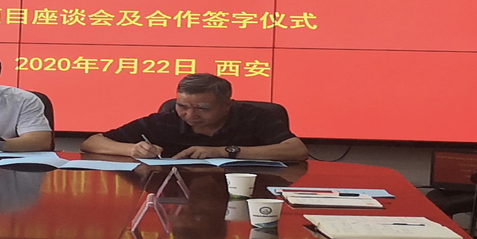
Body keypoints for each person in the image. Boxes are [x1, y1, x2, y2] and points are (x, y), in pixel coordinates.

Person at [80, 73, 308, 161]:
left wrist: (224, 151)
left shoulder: (254, 117)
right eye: (182, 106)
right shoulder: (166, 121)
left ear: (227, 105)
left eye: (202, 108)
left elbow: (296, 151)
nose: (190, 115)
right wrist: (132, 149)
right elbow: (92, 143)